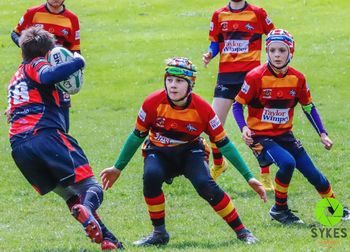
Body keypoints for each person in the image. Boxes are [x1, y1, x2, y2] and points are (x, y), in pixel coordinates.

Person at [100, 57, 267, 246]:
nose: (173, 85)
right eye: (169, 80)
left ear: (191, 85)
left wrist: (249, 177)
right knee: (151, 177)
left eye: (179, 81)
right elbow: (136, 136)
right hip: (158, 151)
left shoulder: (203, 109)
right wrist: (117, 167)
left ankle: (242, 232)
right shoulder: (152, 102)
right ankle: (159, 234)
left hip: (190, 151)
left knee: (206, 184)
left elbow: (225, 144)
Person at [7, 27, 123, 250]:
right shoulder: (37, 64)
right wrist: (79, 61)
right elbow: (47, 74)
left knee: (71, 196)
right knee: (91, 187)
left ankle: (108, 239)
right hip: (44, 136)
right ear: (47, 53)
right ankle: (89, 211)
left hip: (20, 148)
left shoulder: (16, 77)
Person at [233, 29, 350, 224]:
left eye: (282, 50)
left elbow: (308, 107)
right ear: (267, 52)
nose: (277, 55)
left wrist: (322, 133)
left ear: (291, 52)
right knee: (287, 163)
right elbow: (238, 105)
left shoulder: (298, 79)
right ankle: (280, 209)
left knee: (314, 174)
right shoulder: (255, 76)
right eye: (272, 50)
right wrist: (243, 127)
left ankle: (335, 208)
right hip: (260, 137)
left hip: (285, 135)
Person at [202, 0, 275, 190]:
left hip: (251, 78)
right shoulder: (219, 15)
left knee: (256, 128)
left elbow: (274, 36)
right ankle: (219, 163)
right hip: (226, 78)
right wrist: (210, 54)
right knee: (213, 124)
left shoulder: (258, 13)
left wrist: (271, 60)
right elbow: (215, 43)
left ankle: (265, 176)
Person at [11, 0, 81, 133]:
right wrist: (28, 47)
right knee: (30, 110)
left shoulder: (72, 19)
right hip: (34, 72)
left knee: (63, 122)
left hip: (59, 74)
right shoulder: (33, 13)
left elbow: (75, 51)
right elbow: (15, 33)